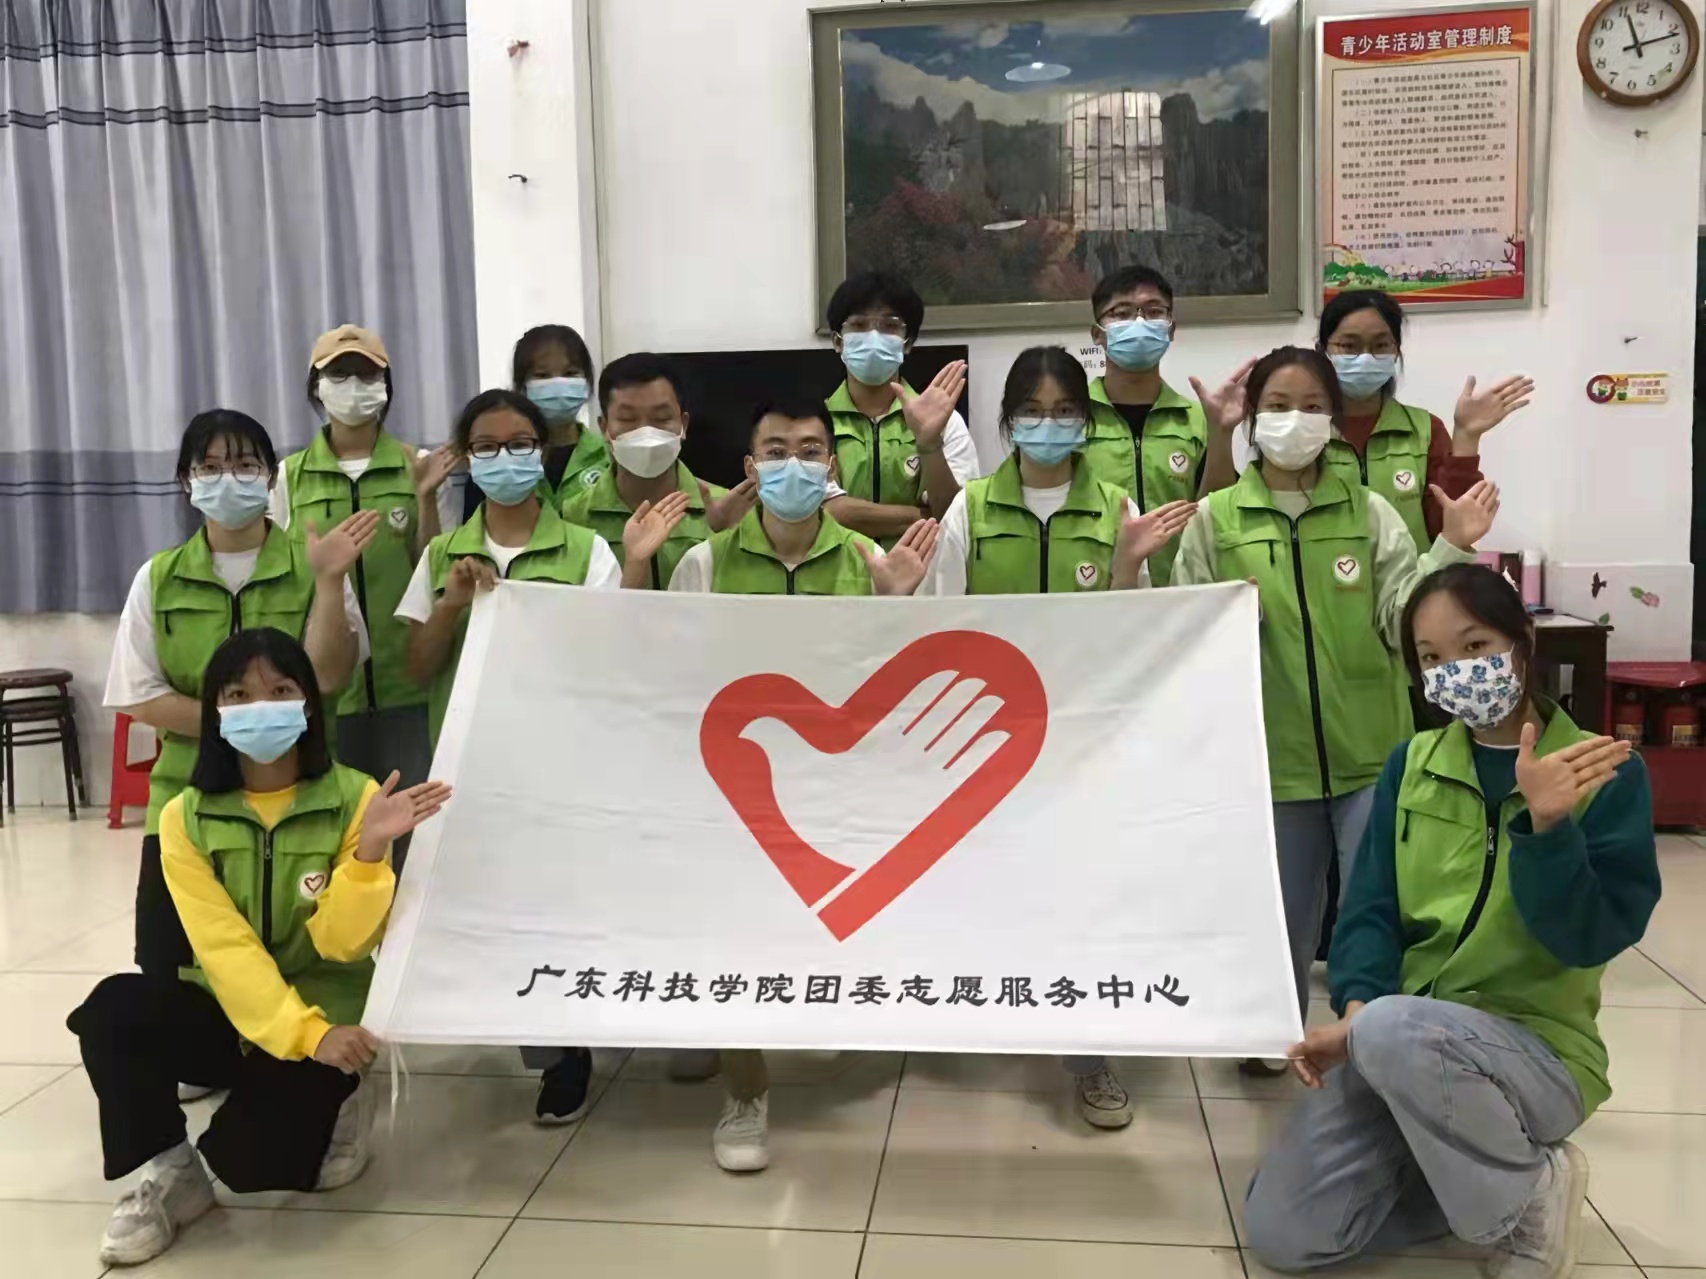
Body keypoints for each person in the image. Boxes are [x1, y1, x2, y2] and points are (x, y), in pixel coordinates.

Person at [1244, 564, 1660, 1276]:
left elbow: (1591, 936)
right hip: (1402, 1040)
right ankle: (1461, 1174)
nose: (1455, 671)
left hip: (1536, 1053)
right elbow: (1369, 912)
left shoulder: (1601, 771)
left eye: (1474, 647)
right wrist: (1356, 1016)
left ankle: (1532, 1198)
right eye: (1432, 657)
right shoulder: (1411, 764)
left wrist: (1550, 828)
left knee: (1391, 1029)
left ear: (1523, 643)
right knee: (1286, 1232)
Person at [70, 628, 451, 1266]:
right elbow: (223, 947)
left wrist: (368, 853)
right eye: (239, 694)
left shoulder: (356, 798)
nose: (261, 706)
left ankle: (344, 1097)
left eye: (280, 689)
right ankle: (172, 1171)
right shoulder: (185, 816)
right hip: (236, 1008)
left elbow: (342, 943)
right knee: (116, 1009)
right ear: (215, 711)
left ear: (308, 704)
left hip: (327, 1013)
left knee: (252, 1166)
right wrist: (299, 1033)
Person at [1169, 347, 1500, 1044]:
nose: (1296, 420)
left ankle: (1377, 1035)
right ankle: (1274, 1034)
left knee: (1377, 907)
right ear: (1252, 417)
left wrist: (1450, 549)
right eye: (1278, 406)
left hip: (1370, 754)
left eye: (1313, 406)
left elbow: (1406, 622)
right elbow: (1183, 632)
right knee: (1281, 911)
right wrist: (1225, 618)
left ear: (1334, 418)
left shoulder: (1370, 513)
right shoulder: (1216, 518)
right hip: (1269, 757)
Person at [658, 395, 937, 1172]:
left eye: (810, 450)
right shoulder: (706, 562)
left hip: (839, 786)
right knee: (733, 935)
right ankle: (745, 1091)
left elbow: (902, 686)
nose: (794, 465)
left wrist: (896, 608)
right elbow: (672, 673)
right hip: (734, 785)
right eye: (777, 450)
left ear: (832, 465)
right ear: (750, 468)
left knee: (831, 925)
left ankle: (826, 1015)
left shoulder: (869, 560)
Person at [918, 345, 1192, 1127]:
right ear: (1007, 423)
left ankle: (1089, 1056)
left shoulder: (1116, 507)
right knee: (994, 887)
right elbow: (939, 623)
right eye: (1032, 412)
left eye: (1065, 411)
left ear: (1086, 421)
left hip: (1083, 741)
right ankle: (992, 1015)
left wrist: (1126, 567)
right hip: (988, 739)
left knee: (1084, 897)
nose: (1049, 425)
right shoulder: (972, 507)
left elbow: (1136, 634)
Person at [396, 387, 626, 1127]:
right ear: (466, 458)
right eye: (487, 446)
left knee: (558, 905)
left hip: (559, 763)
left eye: (520, 444)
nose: (505, 458)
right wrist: (451, 604)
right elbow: (417, 666)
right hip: (470, 763)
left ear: (542, 450)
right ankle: (533, 1038)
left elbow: (607, 657)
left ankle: (568, 1050)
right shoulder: (441, 553)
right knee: (492, 906)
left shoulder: (586, 550)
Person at [105, 410, 373, 984]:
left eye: (246, 465)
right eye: (211, 467)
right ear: (186, 480)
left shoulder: (314, 564)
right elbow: (139, 694)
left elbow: (329, 678)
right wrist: (238, 721)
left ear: (271, 477)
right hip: (188, 797)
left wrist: (329, 583)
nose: (229, 479)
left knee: (304, 955)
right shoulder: (159, 578)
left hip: (303, 799)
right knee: (170, 964)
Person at [270, 324, 450, 867]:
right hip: (326, 695)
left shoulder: (417, 464)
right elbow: (280, 576)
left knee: (417, 842)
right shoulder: (289, 478)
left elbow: (434, 570)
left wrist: (425, 500)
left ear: (387, 386)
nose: (354, 386)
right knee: (340, 841)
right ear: (316, 386)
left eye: (367, 374)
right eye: (339, 374)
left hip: (409, 688)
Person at [1317, 289, 1533, 551]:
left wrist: (1466, 435)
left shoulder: (1425, 430)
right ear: (1322, 351)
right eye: (1349, 346)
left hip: (1416, 577)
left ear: (1396, 352)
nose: (1365, 358)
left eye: (1381, 345)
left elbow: (1453, 529)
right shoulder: (1304, 432)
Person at [560, 352, 758, 588]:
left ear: (683, 425)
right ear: (604, 428)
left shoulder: (725, 509)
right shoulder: (575, 516)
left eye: (661, 418)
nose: (646, 432)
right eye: (628, 419)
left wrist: (723, 534)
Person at [822, 271, 979, 542]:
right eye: (858, 325)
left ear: (908, 342)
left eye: (889, 326)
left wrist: (929, 445)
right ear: (838, 341)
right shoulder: (815, 423)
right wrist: (923, 516)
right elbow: (827, 513)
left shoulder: (946, 423)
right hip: (840, 568)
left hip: (923, 568)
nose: (873, 336)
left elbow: (958, 516)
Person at [1079, 265, 1210, 585]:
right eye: (1121, 313)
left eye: (1153, 312)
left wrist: (1223, 432)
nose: (1139, 322)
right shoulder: (1072, 419)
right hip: (1095, 593)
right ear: (1097, 333)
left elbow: (1214, 510)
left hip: (1181, 593)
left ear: (1171, 329)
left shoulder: (1196, 419)